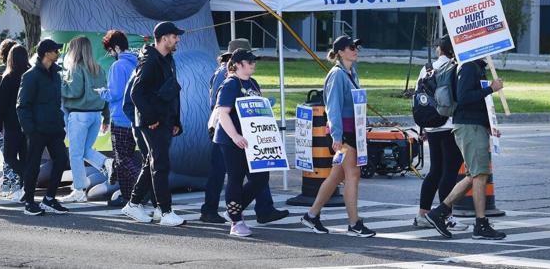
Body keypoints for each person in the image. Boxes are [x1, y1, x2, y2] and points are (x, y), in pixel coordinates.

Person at [423, 41, 506, 240]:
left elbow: (475, 103)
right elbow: (464, 97)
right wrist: (491, 89)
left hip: (474, 125)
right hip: (469, 127)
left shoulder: (474, 66)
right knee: (479, 175)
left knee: (474, 176)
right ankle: (480, 224)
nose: (491, 52)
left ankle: (439, 212)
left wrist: (489, 124)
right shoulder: (468, 66)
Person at [203, 48, 288, 236]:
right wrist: (235, 136)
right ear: (239, 64)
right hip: (231, 140)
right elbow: (222, 113)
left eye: (253, 61)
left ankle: (234, 208)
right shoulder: (230, 84)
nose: (253, 64)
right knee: (235, 177)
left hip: (252, 140)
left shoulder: (253, 83)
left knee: (260, 178)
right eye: (250, 62)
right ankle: (236, 221)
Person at [302, 35, 376, 237]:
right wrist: (337, 136)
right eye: (352, 47)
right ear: (341, 52)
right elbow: (332, 108)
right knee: (353, 174)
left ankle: (312, 215)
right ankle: (354, 223)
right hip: (343, 134)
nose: (356, 50)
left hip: (353, 132)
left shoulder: (351, 72)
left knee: (336, 176)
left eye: (356, 47)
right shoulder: (337, 75)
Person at [121, 22, 185, 227]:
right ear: (164, 38)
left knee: (152, 163)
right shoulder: (150, 62)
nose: (178, 40)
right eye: (175, 36)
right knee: (160, 164)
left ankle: (135, 203)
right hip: (153, 123)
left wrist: (175, 120)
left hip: (164, 121)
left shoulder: (167, 60)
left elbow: (172, 92)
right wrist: (151, 119)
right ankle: (165, 211)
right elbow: (136, 93)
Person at [413, 36, 470, 233]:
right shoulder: (455, 67)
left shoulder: (427, 68)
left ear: (440, 49)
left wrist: (423, 128)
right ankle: (446, 216)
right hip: (448, 124)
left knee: (435, 170)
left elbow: (419, 96)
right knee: (450, 171)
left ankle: (422, 214)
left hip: (430, 124)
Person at [17, 39, 71, 215]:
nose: (58, 53)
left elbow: (56, 103)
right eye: (56, 50)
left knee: (62, 160)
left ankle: (49, 199)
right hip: (37, 130)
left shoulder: (56, 75)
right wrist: (30, 129)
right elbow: (22, 105)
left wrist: (60, 123)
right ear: (46, 53)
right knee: (33, 165)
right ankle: (29, 202)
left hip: (54, 129)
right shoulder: (31, 76)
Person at [59, 36, 109, 203]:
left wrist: (60, 84)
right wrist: (106, 118)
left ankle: (79, 190)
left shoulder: (75, 68)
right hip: (96, 114)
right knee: (84, 151)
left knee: (75, 154)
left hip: (79, 114)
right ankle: (106, 163)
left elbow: (74, 92)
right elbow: (105, 93)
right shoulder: (99, 69)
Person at [102, 30, 141, 207]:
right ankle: (128, 197)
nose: (110, 54)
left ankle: (143, 184)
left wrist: (103, 92)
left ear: (116, 47)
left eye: (110, 50)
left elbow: (115, 93)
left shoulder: (118, 66)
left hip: (120, 117)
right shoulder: (137, 63)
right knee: (127, 158)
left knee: (122, 160)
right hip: (134, 117)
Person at [0, 44, 30, 199]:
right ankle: (25, 189)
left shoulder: (8, 77)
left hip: (12, 123)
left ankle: (27, 175)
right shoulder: (29, 75)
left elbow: (1, 104)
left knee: (10, 157)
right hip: (28, 122)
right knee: (24, 156)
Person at [0, 39, 20, 196]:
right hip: (21, 120)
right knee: (13, 154)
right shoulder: (25, 71)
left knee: (8, 155)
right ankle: (7, 184)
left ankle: (15, 184)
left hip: (1, 121)